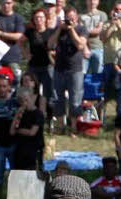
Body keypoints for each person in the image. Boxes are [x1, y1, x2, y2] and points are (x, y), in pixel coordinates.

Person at [49, 6, 89, 135]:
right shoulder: (59, 29)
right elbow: (50, 44)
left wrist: (71, 30)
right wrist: (59, 29)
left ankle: (73, 128)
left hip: (75, 69)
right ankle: (61, 127)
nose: (70, 20)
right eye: (68, 17)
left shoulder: (82, 29)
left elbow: (80, 45)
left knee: (75, 100)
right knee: (58, 98)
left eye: (72, 17)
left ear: (76, 17)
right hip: (59, 68)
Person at [10, 85, 45, 171]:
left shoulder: (38, 114)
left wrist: (19, 130)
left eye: (26, 100)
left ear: (32, 98)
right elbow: (12, 131)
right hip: (20, 150)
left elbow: (32, 132)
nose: (25, 103)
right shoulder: (21, 113)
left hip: (34, 151)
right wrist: (17, 116)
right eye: (22, 101)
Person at [24, 8, 54, 105]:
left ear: (45, 18)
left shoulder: (51, 32)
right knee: (32, 92)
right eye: (36, 18)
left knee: (48, 93)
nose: (39, 20)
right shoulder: (30, 32)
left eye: (41, 17)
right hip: (33, 66)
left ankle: (48, 116)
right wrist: (25, 53)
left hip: (47, 66)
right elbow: (20, 42)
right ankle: (34, 114)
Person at [0, 0, 27, 79]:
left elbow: (19, 36)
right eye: (3, 3)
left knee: (15, 80)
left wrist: (1, 33)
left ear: (13, 3)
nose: (6, 5)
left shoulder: (18, 18)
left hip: (13, 56)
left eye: (8, 3)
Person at [81, 0, 107, 75]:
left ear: (98, 1)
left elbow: (99, 30)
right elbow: (80, 33)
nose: (92, 2)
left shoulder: (102, 14)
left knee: (98, 74)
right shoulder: (81, 15)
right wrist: (85, 48)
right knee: (83, 75)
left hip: (98, 48)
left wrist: (85, 30)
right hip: (84, 49)